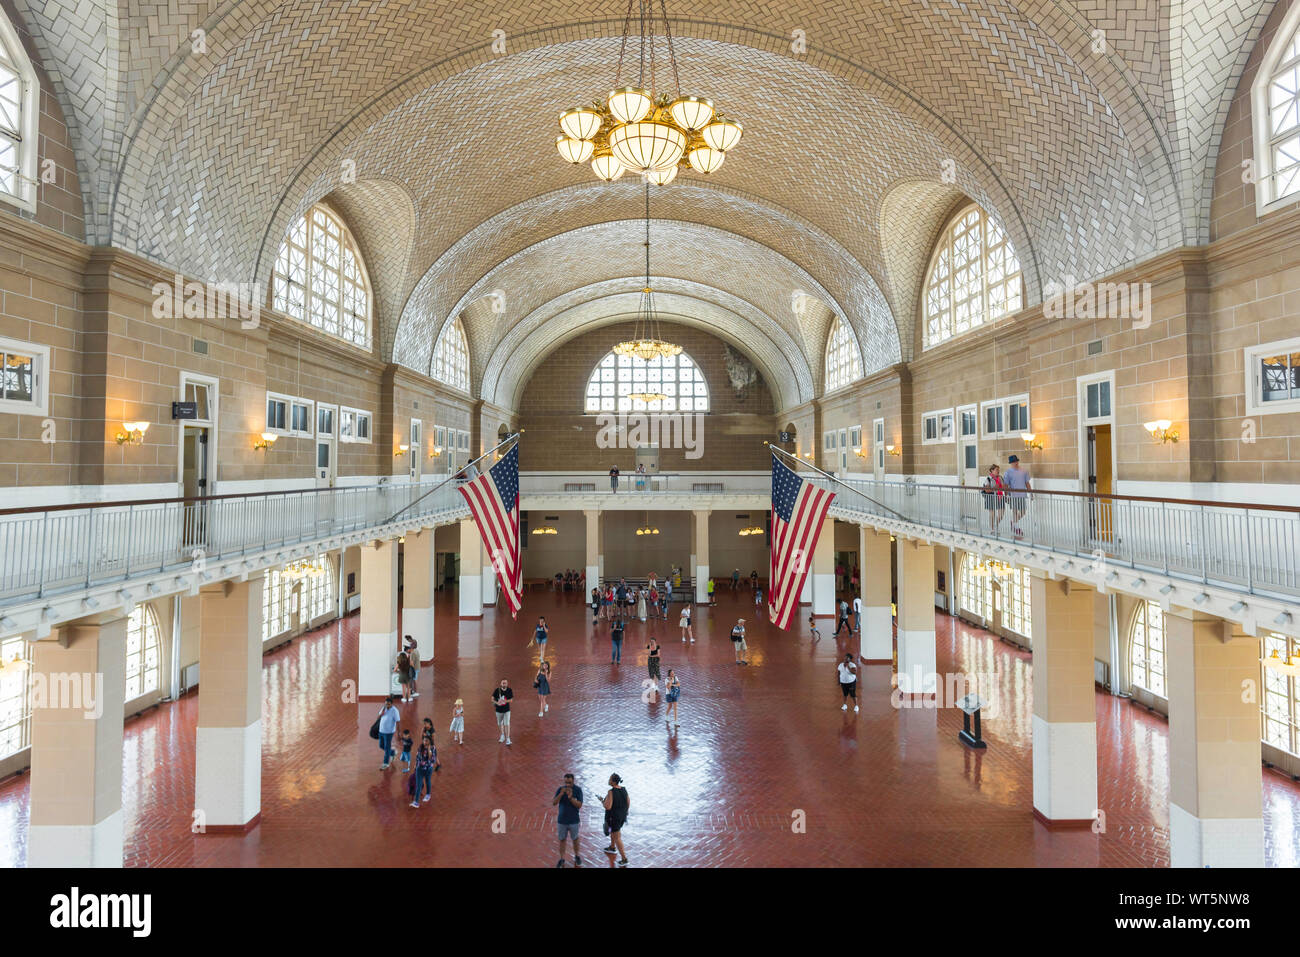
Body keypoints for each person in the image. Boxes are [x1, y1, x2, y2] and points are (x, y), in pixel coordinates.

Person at [553, 773, 584, 868]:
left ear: (573, 781)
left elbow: (579, 805)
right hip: (562, 821)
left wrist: (570, 797)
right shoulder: (560, 789)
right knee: (562, 840)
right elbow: (554, 803)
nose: (567, 785)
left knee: (575, 839)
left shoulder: (578, 790)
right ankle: (562, 859)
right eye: (566, 782)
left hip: (574, 820)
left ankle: (577, 856)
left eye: (569, 783)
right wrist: (561, 794)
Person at [601, 774, 631, 866]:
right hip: (622, 816)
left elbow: (608, 806)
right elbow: (628, 801)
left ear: (613, 782)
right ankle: (612, 847)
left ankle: (624, 859)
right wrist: (625, 812)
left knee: (617, 836)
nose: (608, 780)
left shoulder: (611, 791)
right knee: (614, 832)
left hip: (614, 817)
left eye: (610, 779)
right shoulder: (623, 789)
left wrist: (603, 802)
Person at [1005, 455, 1032, 537]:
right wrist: (1005, 495)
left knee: (1023, 512)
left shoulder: (1024, 471)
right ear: (1011, 463)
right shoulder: (1008, 472)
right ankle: (1016, 528)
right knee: (1015, 512)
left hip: (1022, 495)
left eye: (1016, 461)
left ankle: (1013, 522)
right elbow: (1006, 485)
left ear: (1018, 461)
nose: (1015, 463)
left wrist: (1031, 493)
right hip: (1013, 495)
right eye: (1013, 462)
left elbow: (1027, 483)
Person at [376, 695, 400, 770]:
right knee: (381, 745)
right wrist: (381, 713)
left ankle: (385, 763)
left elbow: (398, 721)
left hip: (389, 732)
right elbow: (378, 718)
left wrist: (399, 733)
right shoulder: (384, 708)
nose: (387, 705)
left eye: (388, 704)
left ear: (392, 704)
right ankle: (392, 752)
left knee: (386, 747)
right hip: (381, 731)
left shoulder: (395, 710)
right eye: (386, 704)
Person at [411, 736, 436, 808]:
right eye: (424, 741)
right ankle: (416, 802)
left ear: (430, 742)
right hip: (420, 769)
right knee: (418, 785)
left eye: (427, 741)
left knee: (428, 781)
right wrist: (416, 765)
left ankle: (428, 794)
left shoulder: (433, 748)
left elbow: (432, 760)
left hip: (428, 769)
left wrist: (429, 750)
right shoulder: (420, 747)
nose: (425, 742)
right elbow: (417, 757)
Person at [982, 463, 1006, 533]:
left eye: (998, 470)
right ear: (992, 470)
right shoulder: (988, 479)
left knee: (1001, 513)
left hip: (1000, 496)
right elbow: (987, 490)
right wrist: (995, 488)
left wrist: (1005, 488)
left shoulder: (1000, 477)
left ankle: (996, 525)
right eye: (996, 470)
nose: (998, 471)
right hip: (991, 497)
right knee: (992, 514)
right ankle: (992, 528)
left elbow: (1003, 486)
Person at [492, 679, 513, 746]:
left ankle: (508, 738)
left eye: (505, 683)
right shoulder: (497, 690)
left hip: (507, 710)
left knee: (507, 723)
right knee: (499, 723)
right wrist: (497, 703)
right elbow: (492, 699)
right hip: (498, 710)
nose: (504, 684)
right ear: (501, 684)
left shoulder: (509, 690)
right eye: (503, 683)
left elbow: (511, 700)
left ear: (507, 684)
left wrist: (504, 701)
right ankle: (502, 734)